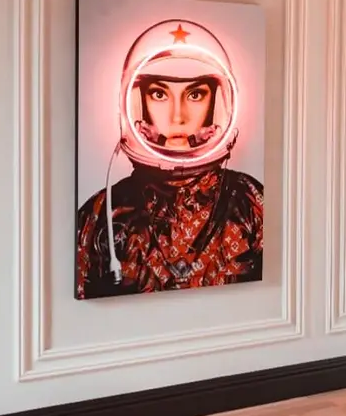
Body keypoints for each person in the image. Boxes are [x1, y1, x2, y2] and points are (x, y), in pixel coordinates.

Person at [75, 19, 264, 299]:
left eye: (195, 94)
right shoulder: (103, 213)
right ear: (139, 102)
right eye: (159, 94)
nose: (178, 116)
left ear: (216, 103)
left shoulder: (250, 202)